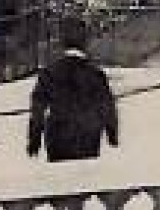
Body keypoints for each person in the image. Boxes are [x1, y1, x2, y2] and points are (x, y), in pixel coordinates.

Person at [27, 16, 117, 162]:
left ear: (62, 42)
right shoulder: (95, 74)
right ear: (85, 43)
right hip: (88, 135)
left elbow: (38, 109)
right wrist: (111, 134)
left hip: (58, 136)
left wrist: (34, 140)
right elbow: (107, 105)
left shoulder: (49, 73)